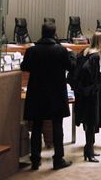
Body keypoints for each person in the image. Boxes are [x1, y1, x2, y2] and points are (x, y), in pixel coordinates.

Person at [21, 23, 74, 171]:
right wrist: (71, 55)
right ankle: (58, 159)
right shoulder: (61, 50)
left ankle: (35, 160)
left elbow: (24, 67)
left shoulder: (31, 50)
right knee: (57, 126)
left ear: (42, 32)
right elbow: (71, 67)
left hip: (37, 93)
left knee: (37, 127)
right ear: (54, 33)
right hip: (56, 94)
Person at [71, 33, 101, 162]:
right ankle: (88, 151)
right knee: (91, 122)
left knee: (86, 121)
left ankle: (89, 149)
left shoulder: (83, 53)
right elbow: (96, 77)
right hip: (91, 94)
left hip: (81, 93)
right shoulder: (97, 56)